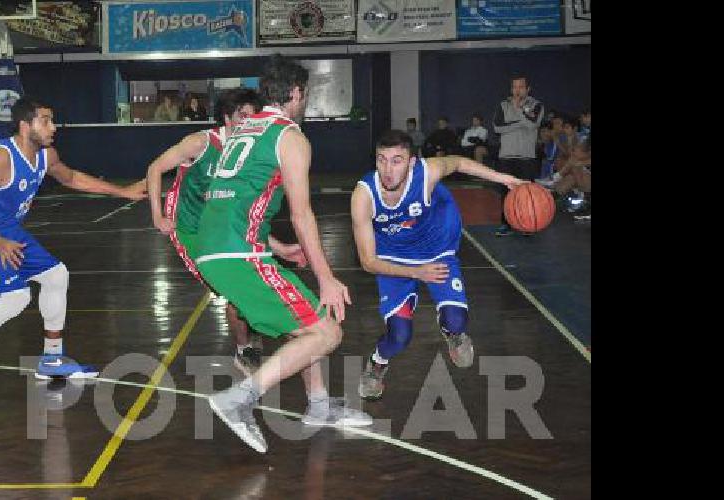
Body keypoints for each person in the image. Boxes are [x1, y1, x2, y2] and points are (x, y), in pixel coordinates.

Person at [197, 55, 372, 454]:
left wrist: (275, 247)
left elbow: (234, 197)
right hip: (237, 253)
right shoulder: (289, 135)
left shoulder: (244, 128)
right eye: (305, 95)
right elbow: (301, 212)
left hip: (220, 247)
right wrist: (327, 275)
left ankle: (319, 406)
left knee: (309, 323)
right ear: (295, 93)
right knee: (327, 332)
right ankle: (238, 399)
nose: (305, 102)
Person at [0, 98, 148, 403]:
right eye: (45, 120)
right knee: (17, 297)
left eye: (52, 120)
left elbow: (70, 178)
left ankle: (52, 360)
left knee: (56, 276)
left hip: (4, 230)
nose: (53, 127)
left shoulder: (46, 155)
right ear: (24, 125)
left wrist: (122, 192)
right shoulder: (0, 158)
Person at [351, 130, 527, 400]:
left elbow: (458, 162)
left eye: (396, 160)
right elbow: (367, 262)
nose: (387, 169)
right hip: (393, 257)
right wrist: (415, 272)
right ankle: (376, 366)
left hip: (435, 247)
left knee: (456, 320)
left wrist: (505, 180)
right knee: (399, 336)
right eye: (382, 160)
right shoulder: (363, 195)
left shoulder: (426, 173)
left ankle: (451, 332)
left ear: (411, 163)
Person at [145, 88, 307, 375]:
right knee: (233, 289)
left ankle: (250, 330)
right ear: (227, 118)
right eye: (242, 116)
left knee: (242, 284)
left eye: (252, 116)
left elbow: (241, 216)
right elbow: (155, 167)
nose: (248, 121)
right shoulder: (201, 142)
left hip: (221, 227)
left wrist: (280, 249)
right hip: (190, 230)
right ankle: (244, 349)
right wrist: (158, 215)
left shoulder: (251, 150)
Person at [492, 75, 545, 236]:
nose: (517, 90)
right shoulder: (503, 105)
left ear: (528, 89)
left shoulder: (537, 105)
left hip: (526, 157)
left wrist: (519, 109)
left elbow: (533, 123)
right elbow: (497, 127)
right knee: (506, 194)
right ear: (511, 89)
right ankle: (506, 224)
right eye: (514, 87)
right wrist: (521, 122)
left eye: (521, 87)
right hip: (506, 157)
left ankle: (527, 225)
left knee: (526, 194)